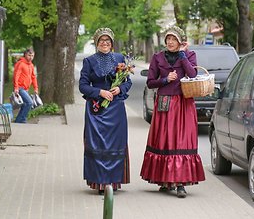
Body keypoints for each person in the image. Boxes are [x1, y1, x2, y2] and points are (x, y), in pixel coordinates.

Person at [140, 25, 205, 198]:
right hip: (164, 104)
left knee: (181, 142)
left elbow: (192, 75)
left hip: (183, 105)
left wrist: (183, 55)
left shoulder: (189, 55)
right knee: (164, 141)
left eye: (173, 39)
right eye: (168, 39)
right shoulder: (157, 57)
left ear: (180, 41)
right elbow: (150, 82)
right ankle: (164, 180)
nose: (170, 42)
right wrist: (165, 79)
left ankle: (181, 183)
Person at [79, 28, 132, 194]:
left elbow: (127, 82)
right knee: (98, 143)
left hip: (116, 109)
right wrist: (100, 92)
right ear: (96, 43)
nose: (105, 43)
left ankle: (114, 181)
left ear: (112, 43)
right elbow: (83, 86)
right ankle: (99, 182)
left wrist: (119, 89)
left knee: (116, 143)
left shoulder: (119, 58)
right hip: (97, 110)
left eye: (107, 41)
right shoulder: (89, 61)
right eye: (101, 41)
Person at [13, 48, 39, 123]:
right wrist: (16, 87)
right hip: (20, 88)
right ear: (25, 55)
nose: (31, 57)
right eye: (29, 55)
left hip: (25, 88)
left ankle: (18, 121)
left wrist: (36, 88)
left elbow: (33, 77)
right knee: (29, 102)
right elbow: (16, 76)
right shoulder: (21, 63)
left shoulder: (31, 65)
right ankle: (23, 120)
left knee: (25, 104)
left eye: (32, 56)